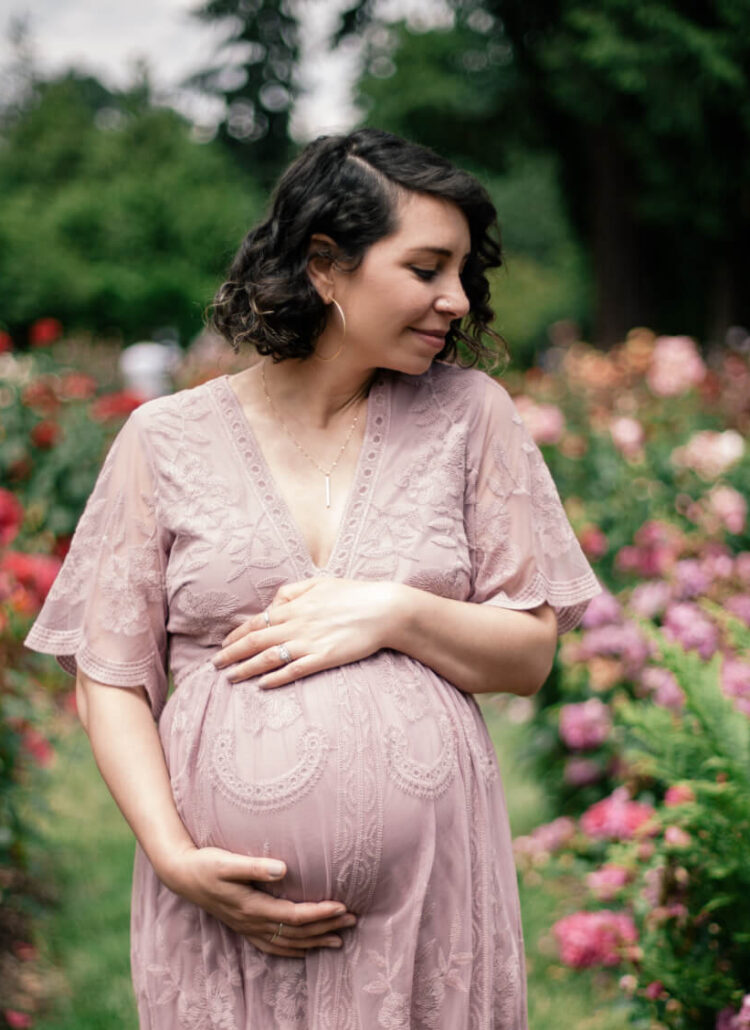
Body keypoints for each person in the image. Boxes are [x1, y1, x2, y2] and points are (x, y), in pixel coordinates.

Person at [25, 128, 601, 1028]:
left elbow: (528, 653)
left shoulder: (471, 419)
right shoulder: (165, 439)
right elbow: (108, 674)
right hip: (226, 925)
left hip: (430, 918)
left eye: (461, 271)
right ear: (326, 264)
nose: (455, 298)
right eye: (425, 268)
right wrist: (176, 859)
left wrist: (393, 612)